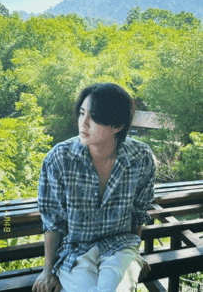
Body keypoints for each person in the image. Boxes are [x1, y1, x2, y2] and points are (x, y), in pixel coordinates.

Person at [32, 82, 155, 292]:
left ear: (117, 125)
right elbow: (53, 221)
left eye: (94, 116)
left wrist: (135, 256)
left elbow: (138, 212)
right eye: (82, 113)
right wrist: (48, 270)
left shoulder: (140, 157)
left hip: (121, 246)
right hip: (75, 250)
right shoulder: (59, 158)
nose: (84, 123)